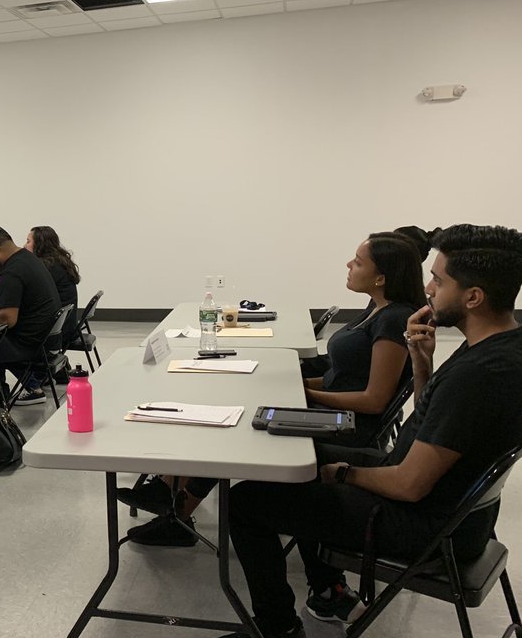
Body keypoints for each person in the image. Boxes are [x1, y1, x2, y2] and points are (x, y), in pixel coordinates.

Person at [208, 224, 522, 638]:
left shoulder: (479, 374)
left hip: (423, 525)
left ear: (473, 297)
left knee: (248, 501)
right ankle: (328, 593)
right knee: (296, 457)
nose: (428, 288)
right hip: (454, 514)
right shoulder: (511, 347)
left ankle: (279, 633)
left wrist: (343, 474)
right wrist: (422, 364)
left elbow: (410, 484)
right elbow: (434, 424)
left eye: (438, 281)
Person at [125, 231, 428, 547]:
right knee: (240, 400)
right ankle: (172, 496)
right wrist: (284, 381)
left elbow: (374, 400)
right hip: (333, 409)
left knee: (236, 424)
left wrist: (304, 394)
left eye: (358, 261)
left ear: (381, 277)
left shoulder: (394, 320)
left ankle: (176, 507)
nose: (349, 264)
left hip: (347, 424)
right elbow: (343, 376)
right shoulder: (377, 308)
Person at [0, 226, 60, 406]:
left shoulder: (11, 273)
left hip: (29, 341)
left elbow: (8, 319)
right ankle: (32, 383)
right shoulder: (28, 259)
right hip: (44, 335)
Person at [26, 226, 80, 350]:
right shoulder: (59, 261)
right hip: (66, 325)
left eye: (28, 241)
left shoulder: (47, 267)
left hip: (58, 332)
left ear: (39, 244)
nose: (24, 246)